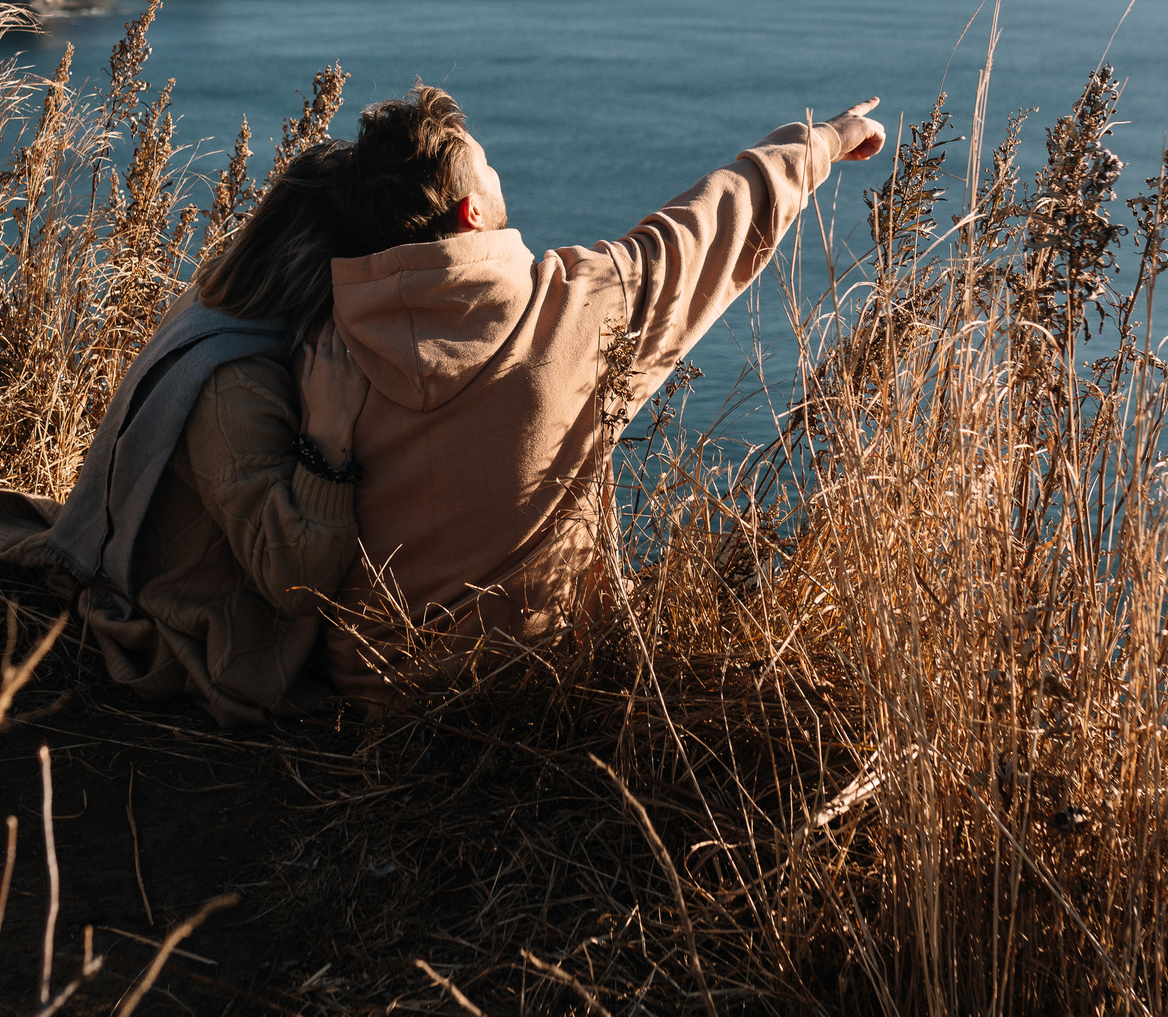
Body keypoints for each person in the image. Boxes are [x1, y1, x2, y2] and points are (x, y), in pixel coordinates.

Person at [315, 86, 884, 697]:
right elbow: (709, 226)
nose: (499, 172)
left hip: (367, 699)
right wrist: (822, 140)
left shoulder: (320, 346)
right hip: (529, 693)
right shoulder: (573, 309)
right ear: (470, 213)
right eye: (488, 168)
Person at [0, 148, 374, 726]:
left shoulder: (221, 303)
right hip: (203, 622)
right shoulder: (240, 384)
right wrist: (330, 439)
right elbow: (297, 583)